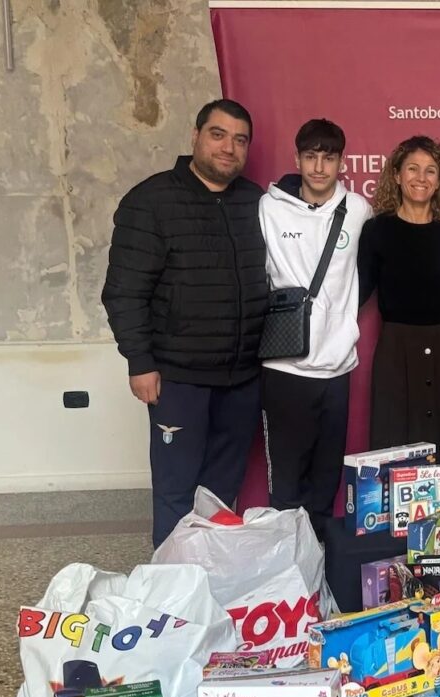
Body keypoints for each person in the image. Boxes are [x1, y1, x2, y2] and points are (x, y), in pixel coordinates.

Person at [102, 99, 267, 548]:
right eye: (218, 134)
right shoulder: (151, 201)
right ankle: (173, 584)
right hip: (177, 379)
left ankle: (214, 579)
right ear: (195, 136)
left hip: (242, 379)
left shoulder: (257, 202)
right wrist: (140, 362)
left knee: (222, 495)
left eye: (240, 140)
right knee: (176, 492)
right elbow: (124, 291)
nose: (228, 147)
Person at [257, 119, 372, 537]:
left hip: (336, 367)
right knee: (286, 485)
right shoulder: (268, 207)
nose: (319, 167)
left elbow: (366, 274)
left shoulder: (358, 210)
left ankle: (321, 565)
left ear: (342, 161)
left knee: (325, 483)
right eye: (310, 157)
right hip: (284, 367)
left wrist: (337, 319)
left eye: (328, 158)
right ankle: (285, 567)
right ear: (297, 159)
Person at [358, 135, 440, 463]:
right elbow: (358, 291)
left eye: (430, 170)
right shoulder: (377, 230)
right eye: (412, 168)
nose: (421, 178)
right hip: (396, 348)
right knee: (394, 436)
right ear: (396, 175)